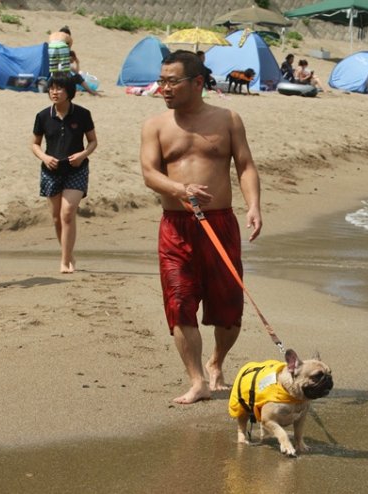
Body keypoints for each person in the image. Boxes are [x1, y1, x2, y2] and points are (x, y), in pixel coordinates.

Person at [140, 50, 262, 405]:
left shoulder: (228, 119)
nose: (164, 88)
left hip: (220, 223)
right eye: (161, 80)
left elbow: (245, 165)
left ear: (196, 83)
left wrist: (253, 205)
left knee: (229, 309)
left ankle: (216, 361)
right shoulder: (155, 126)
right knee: (179, 302)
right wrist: (180, 190)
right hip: (176, 227)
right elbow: (149, 173)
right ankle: (197, 381)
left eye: (172, 81)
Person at [32, 75, 98, 273]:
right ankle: (69, 255)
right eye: (52, 88)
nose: (54, 92)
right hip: (51, 171)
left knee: (67, 213)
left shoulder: (83, 114)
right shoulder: (43, 116)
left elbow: (93, 141)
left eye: (59, 89)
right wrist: (44, 157)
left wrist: (82, 154)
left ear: (69, 91)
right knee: (56, 217)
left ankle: (64, 261)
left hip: (76, 170)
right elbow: (35, 144)